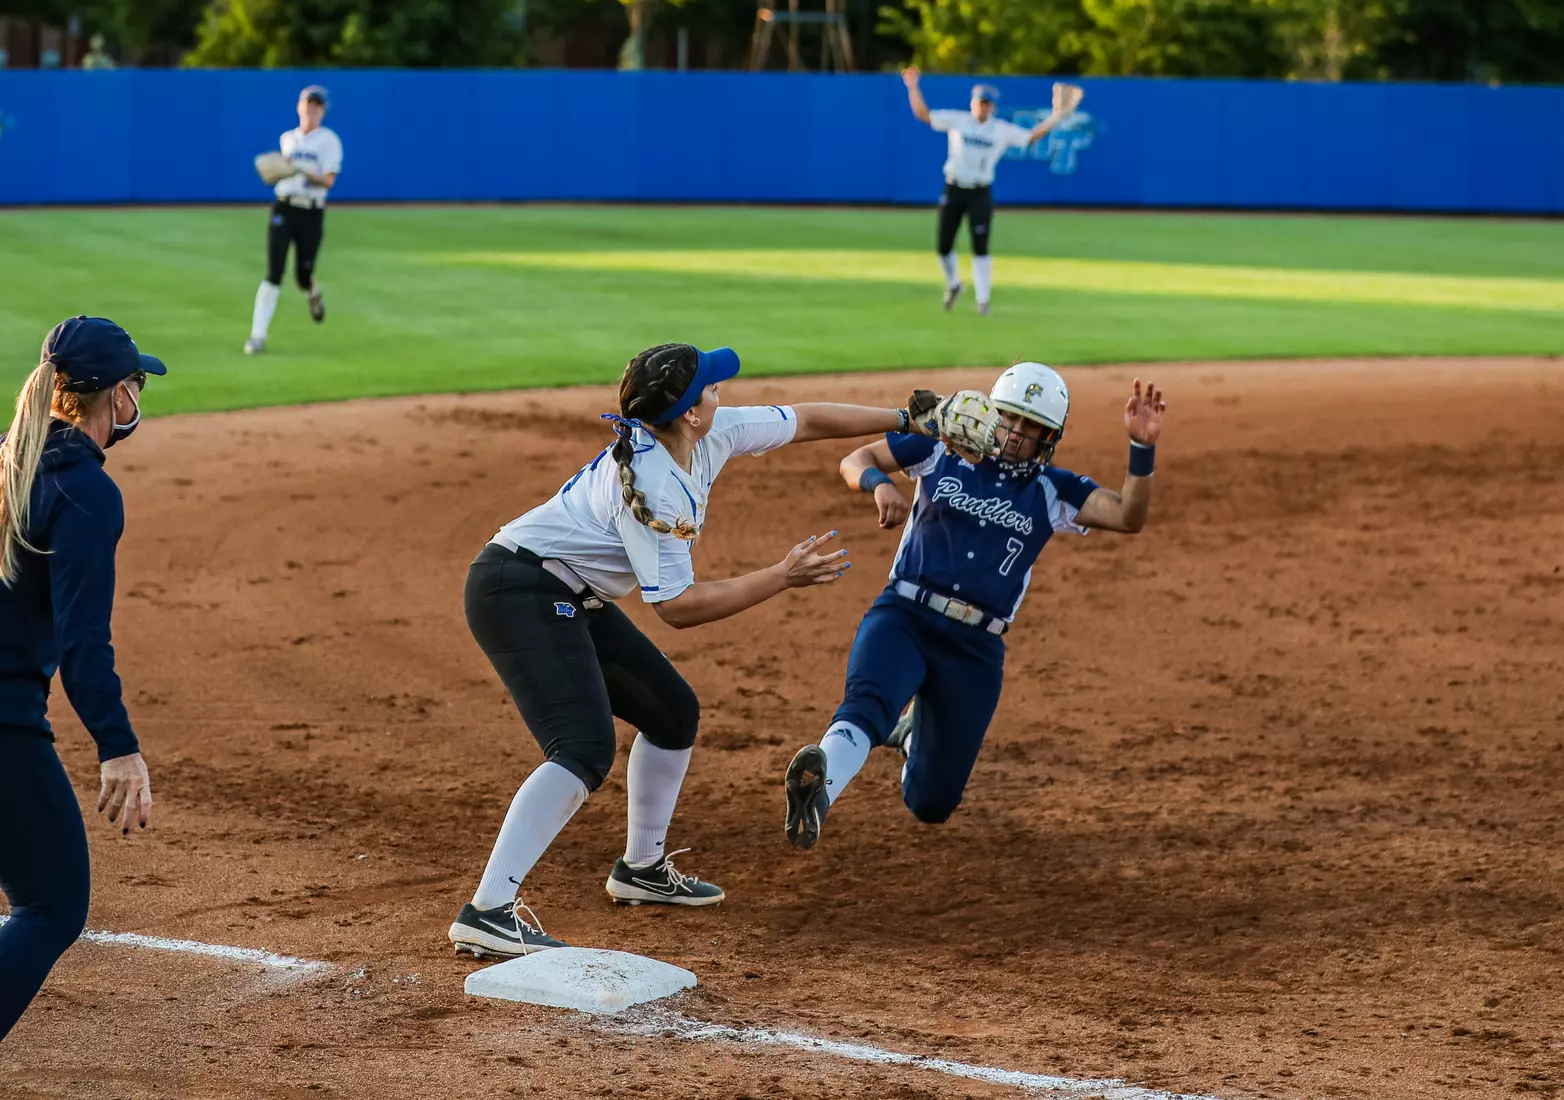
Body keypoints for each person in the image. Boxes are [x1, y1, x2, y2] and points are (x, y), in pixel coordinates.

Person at [450, 342, 937, 957]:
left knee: (672, 712)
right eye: (710, 386)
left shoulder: (713, 432)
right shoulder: (656, 485)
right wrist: (781, 576)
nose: (719, 391)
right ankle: (488, 909)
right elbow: (677, 608)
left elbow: (807, 420)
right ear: (688, 413)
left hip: (569, 594)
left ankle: (641, 869)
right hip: (518, 591)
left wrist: (905, 419)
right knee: (581, 748)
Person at [782, 363, 1166, 850]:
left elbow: (1128, 515)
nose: (1016, 432)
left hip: (975, 648)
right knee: (866, 704)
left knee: (932, 803)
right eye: (1010, 417)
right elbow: (856, 459)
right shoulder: (938, 447)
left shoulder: (1053, 489)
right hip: (905, 617)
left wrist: (1141, 447)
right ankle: (820, 794)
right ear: (991, 412)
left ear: (1049, 437)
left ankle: (911, 736)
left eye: (1032, 426)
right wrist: (879, 483)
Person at [0, 316, 164, 1040]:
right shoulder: (85, 493)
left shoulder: (9, 462)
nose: (138, 397)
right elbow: (83, 643)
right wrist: (117, 746)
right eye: (136, 383)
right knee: (52, 905)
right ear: (115, 395)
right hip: (4, 721)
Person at [901, 67, 1082, 315]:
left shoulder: (1000, 129)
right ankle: (953, 284)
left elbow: (1030, 137)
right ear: (972, 103)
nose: (983, 107)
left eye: (987, 104)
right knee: (943, 246)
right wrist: (912, 86)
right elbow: (923, 114)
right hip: (954, 187)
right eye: (980, 102)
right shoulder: (959, 121)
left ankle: (983, 300)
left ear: (993, 107)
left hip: (980, 191)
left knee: (980, 246)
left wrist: (1055, 118)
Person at [246, 85, 343, 355]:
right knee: (273, 273)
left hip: (311, 211)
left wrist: (303, 170)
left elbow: (329, 181)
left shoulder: (329, 140)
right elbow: (279, 175)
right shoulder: (288, 138)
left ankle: (312, 292)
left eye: (316, 106)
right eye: (307, 104)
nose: (311, 109)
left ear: (323, 111)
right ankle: (257, 336)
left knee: (302, 275)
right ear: (299, 107)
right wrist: (278, 171)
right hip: (284, 207)